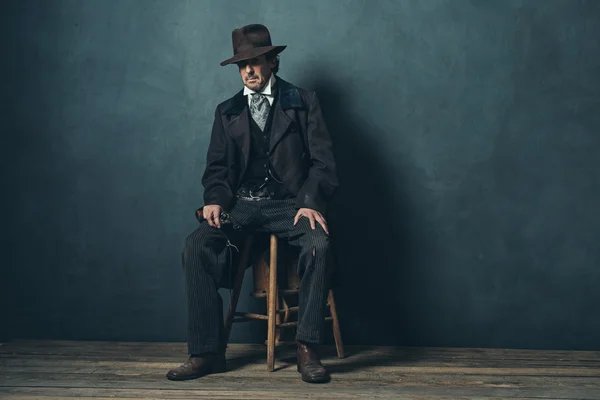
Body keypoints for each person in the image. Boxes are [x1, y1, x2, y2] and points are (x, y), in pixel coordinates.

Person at [166, 23, 339, 384]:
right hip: (243, 207)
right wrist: (214, 200)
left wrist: (309, 202)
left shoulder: (304, 102)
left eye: (256, 61)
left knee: (319, 244)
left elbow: (324, 163)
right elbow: (216, 169)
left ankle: (306, 348)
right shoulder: (227, 111)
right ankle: (206, 352)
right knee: (196, 246)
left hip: (291, 205)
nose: (248, 70)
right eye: (242, 64)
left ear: (273, 61)